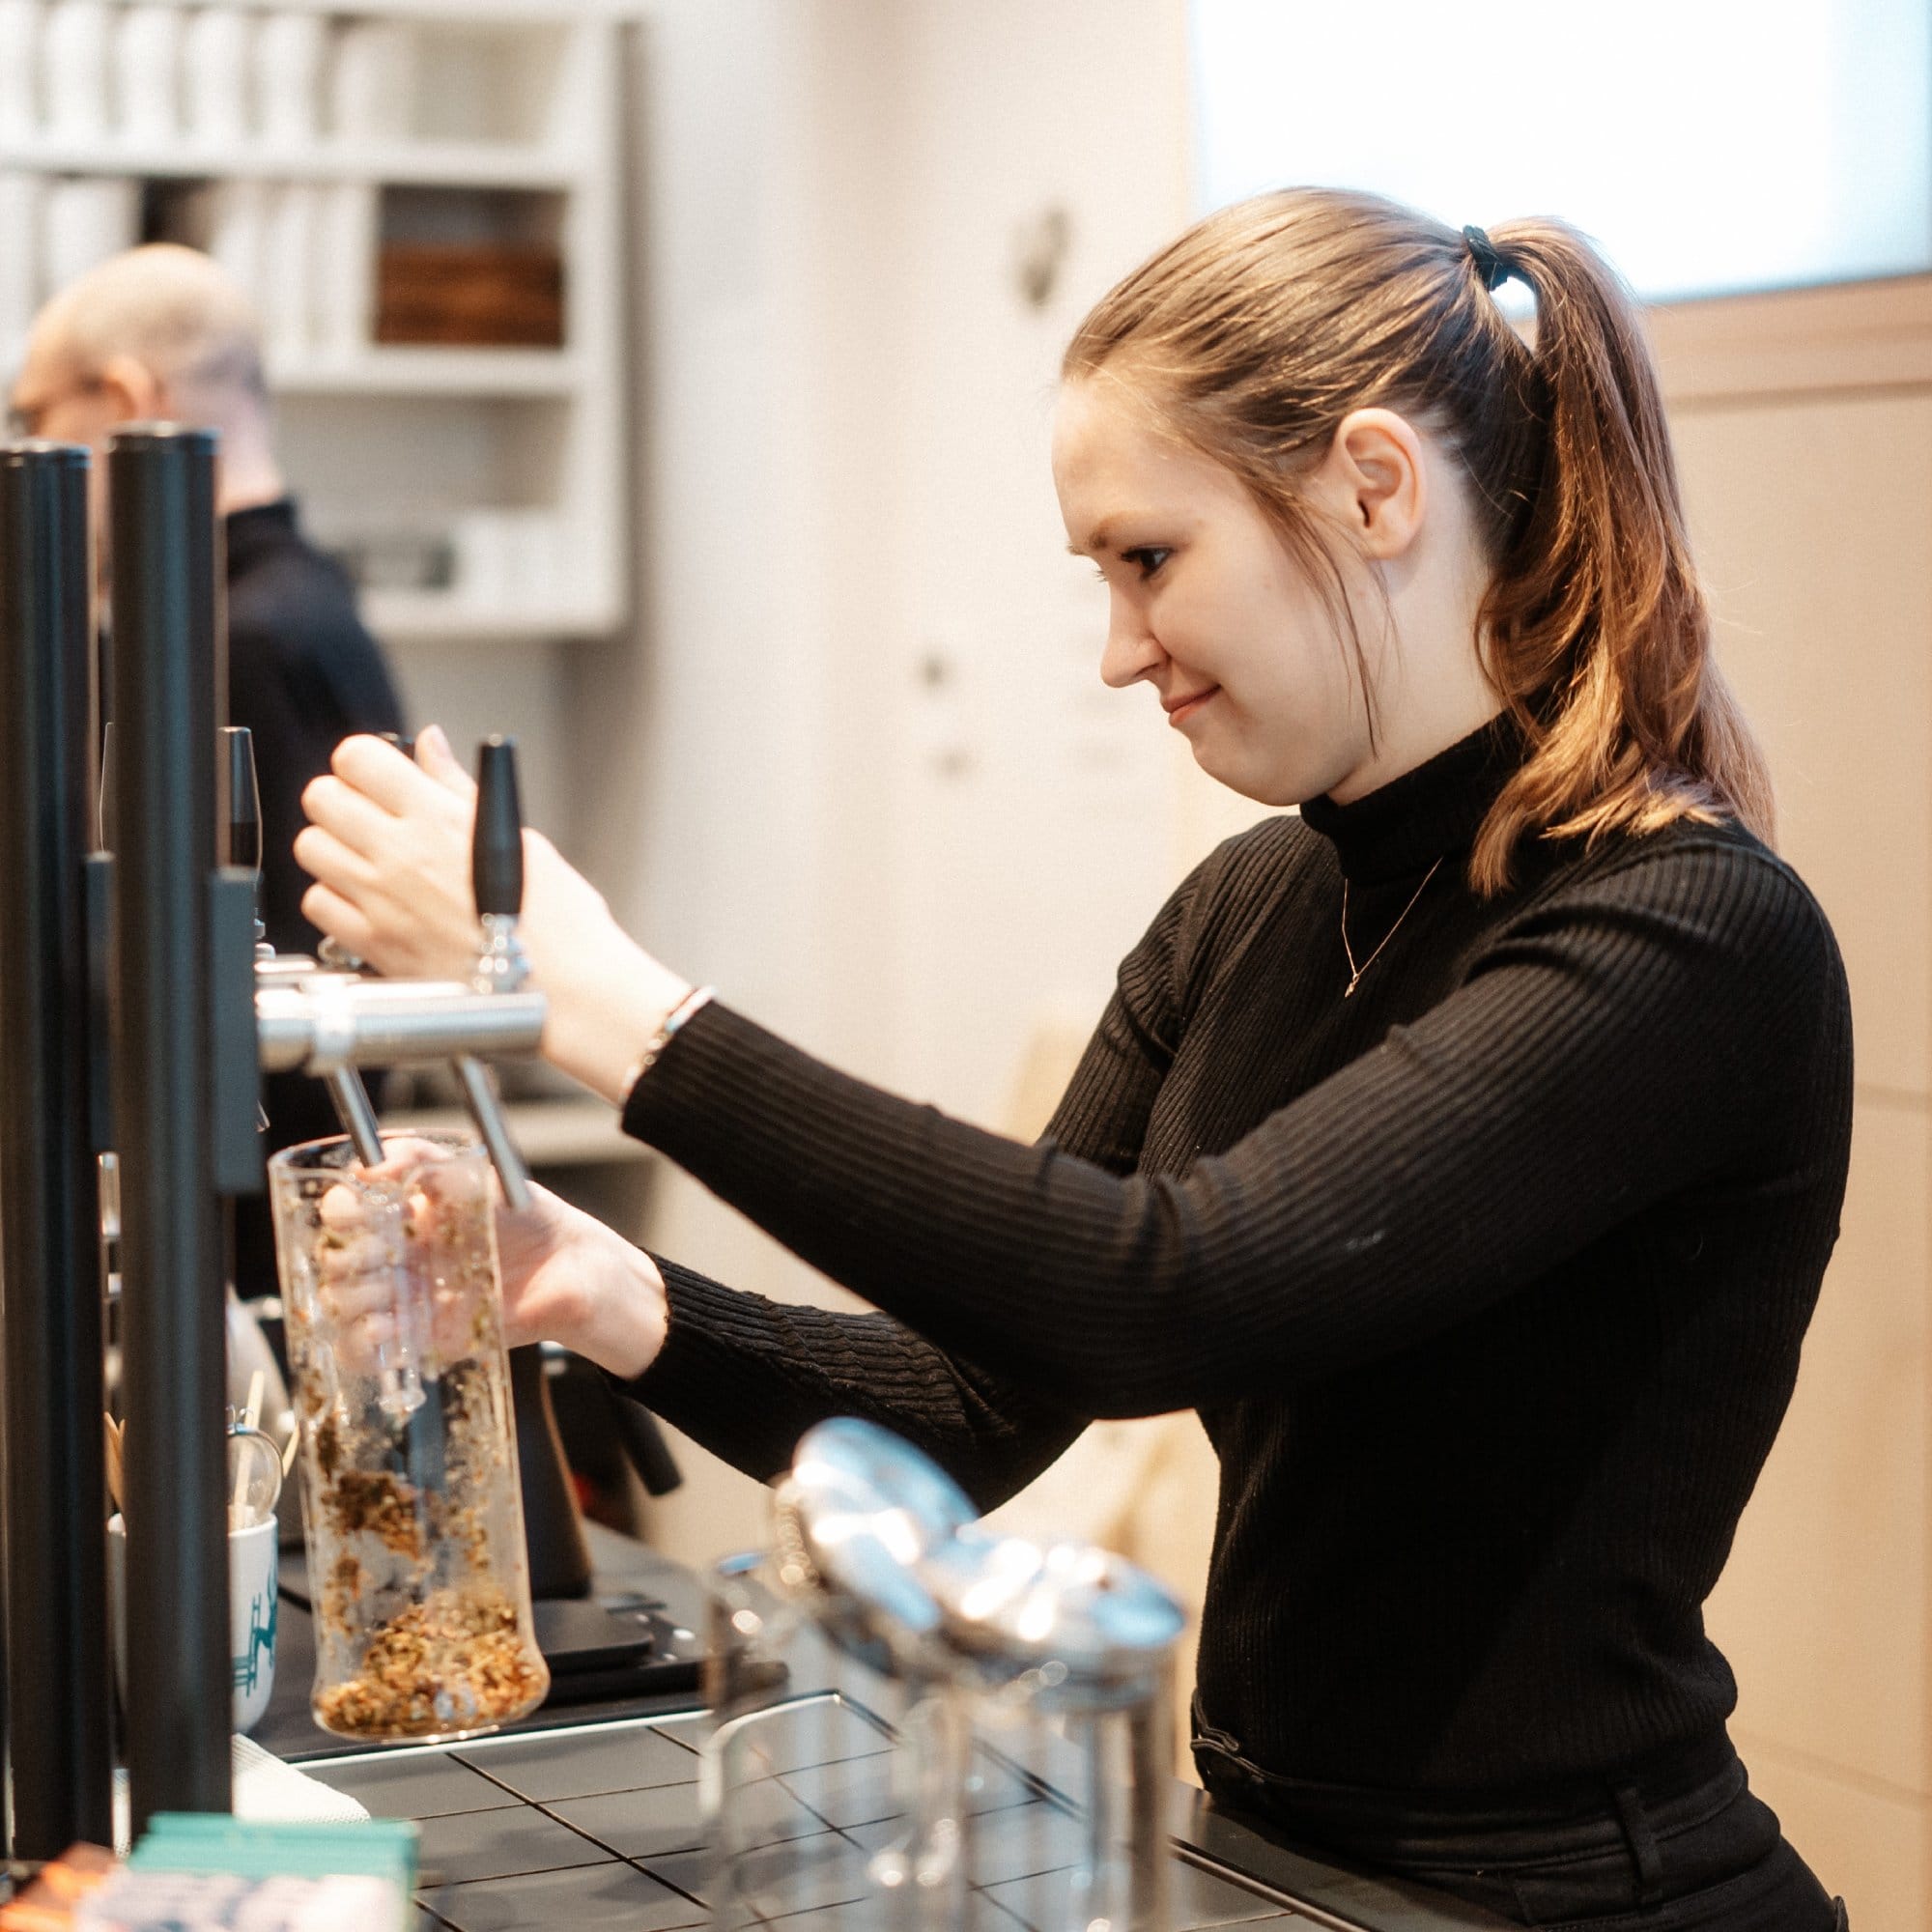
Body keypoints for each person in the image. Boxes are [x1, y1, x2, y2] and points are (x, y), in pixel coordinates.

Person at [294, 190, 1853, 1930]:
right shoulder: (1253, 905)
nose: (1121, 653)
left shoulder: (1686, 931)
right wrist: (594, 1287)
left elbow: (1166, 1294)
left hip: (1579, 1903)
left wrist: (605, 1004)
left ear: (1375, 485)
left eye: (1150, 560)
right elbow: (980, 1404)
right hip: (1262, 1857)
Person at [12, 242, 407, 1287]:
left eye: (37, 420)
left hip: (256, 1254)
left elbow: (284, 1003)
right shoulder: (284, 612)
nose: (32, 454)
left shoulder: (240, 641)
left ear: (130, 397)